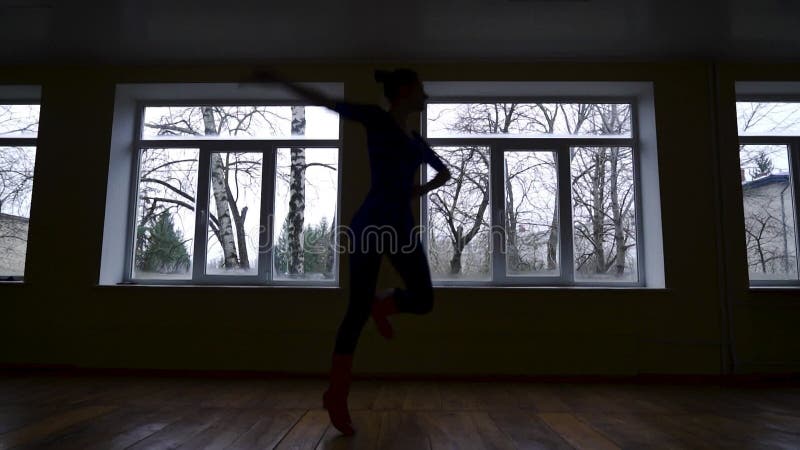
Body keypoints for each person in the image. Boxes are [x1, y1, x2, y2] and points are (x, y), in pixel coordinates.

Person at [250, 68, 451, 435]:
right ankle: (337, 393)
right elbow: (327, 103)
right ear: (405, 91)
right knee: (355, 312)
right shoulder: (377, 119)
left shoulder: (417, 140)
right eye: (422, 89)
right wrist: (280, 81)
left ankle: (382, 305)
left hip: (400, 228)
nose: (427, 95)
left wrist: (417, 192)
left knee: (424, 299)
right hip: (371, 225)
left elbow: (445, 173)